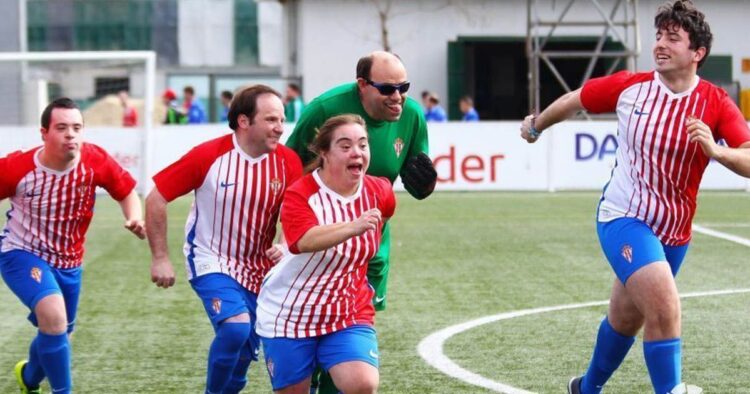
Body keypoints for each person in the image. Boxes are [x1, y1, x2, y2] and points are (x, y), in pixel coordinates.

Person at [519, 1, 750, 393]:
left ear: (697, 54)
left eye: (672, 39)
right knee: (664, 306)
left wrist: (718, 152)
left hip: (675, 232)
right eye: (659, 36)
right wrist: (537, 124)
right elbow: (576, 99)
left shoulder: (714, 102)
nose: (660, 44)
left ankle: (585, 388)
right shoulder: (630, 87)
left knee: (626, 319)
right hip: (623, 217)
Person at [285, 50, 436, 394]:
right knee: (317, 323)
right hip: (320, 243)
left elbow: (416, 175)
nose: (397, 97)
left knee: (351, 326)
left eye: (404, 87)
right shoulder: (325, 109)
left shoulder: (411, 114)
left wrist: (425, 184)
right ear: (362, 85)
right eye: (386, 88)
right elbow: (290, 167)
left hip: (371, 244)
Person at [145, 84, 303, 394]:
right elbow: (156, 198)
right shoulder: (208, 155)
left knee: (243, 353)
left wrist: (284, 244)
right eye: (271, 120)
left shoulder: (288, 162)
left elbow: (296, 212)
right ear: (244, 121)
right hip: (210, 258)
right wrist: (160, 257)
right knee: (235, 329)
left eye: (282, 120)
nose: (280, 128)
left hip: (260, 270)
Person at [0, 98, 145, 394]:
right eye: (62, 127)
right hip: (21, 253)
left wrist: (134, 217)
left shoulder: (95, 161)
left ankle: (28, 378)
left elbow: (127, 191)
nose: (71, 134)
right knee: (53, 317)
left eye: (77, 128)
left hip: (69, 261)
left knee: (59, 330)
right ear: (44, 133)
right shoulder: (17, 167)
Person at [256, 114, 396, 394]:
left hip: (347, 311)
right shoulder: (301, 193)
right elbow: (302, 241)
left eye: (362, 145)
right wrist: (352, 227)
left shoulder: (380, 191)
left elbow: (383, 219)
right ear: (324, 153)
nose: (356, 152)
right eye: (345, 146)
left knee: (363, 384)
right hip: (290, 314)